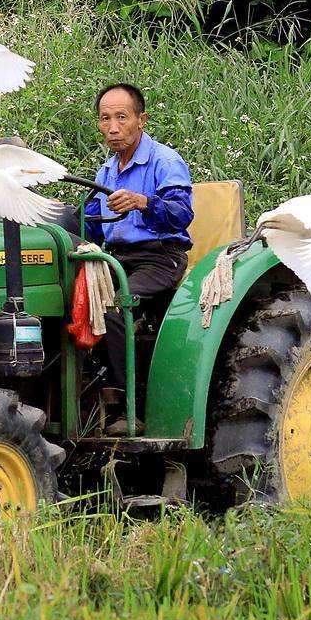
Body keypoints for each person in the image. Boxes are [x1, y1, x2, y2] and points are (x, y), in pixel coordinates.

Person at [83, 83, 193, 434]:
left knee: (116, 306)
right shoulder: (106, 171)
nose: (113, 127)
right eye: (105, 119)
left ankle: (125, 408)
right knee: (77, 298)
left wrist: (142, 202)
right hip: (118, 258)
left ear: (140, 120)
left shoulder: (164, 160)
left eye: (121, 117)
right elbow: (91, 225)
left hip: (161, 257)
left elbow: (180, 214)